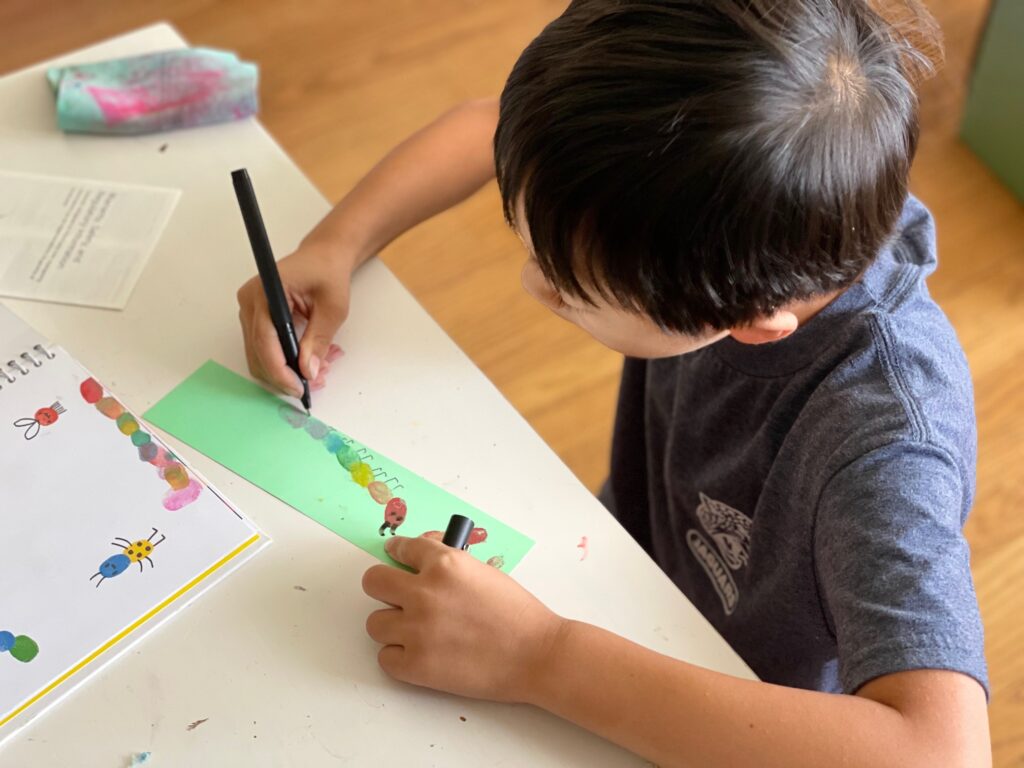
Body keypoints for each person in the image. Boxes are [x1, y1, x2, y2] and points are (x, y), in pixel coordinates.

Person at [236, 1, 990, 764]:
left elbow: (937, 753)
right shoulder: (749, 204)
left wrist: (539, 657)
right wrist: (335, 244)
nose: (535, 286)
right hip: (624, 584)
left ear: (751, 321)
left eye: (572, 289)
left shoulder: (885, 444)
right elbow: (486, 126)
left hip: (727, 714)